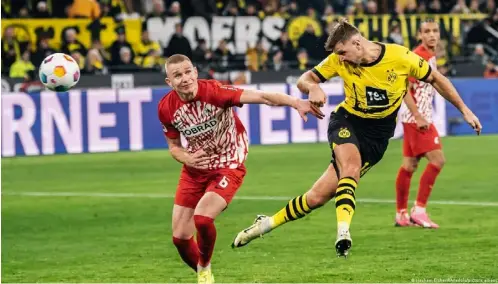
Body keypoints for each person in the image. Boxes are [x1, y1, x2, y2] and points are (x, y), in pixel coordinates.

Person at [231, 18, 482, 258]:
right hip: (348, 120)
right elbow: (304, 79)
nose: (340, 58)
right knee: (350, 167)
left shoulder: (400, 57)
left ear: (357, 44)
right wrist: (313, 86)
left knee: (316, 197)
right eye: (338, 54)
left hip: (378, 135)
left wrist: (465, 110)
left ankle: (266, 223)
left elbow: (436, 79)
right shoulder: (339, 60)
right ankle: (343, 232)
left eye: (342, 52)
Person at [158, 54, 323, 284]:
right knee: (180, 238)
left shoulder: (216, 92)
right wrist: (187, 158)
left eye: (187, 72)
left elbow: (263, 96)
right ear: (169, 82)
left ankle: (204, 270)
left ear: (195, 72)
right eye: (177, 75)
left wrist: (296, 102)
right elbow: (174, 146)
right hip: (195, 169)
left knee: (203, 219)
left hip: (228, 163)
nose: (184, 78)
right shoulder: (166, 108)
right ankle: (205, 274)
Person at [395, 19, 445, 228]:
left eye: (435, 31)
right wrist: (417, 115)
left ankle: (401, 213)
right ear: (420, 35)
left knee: (409, 165)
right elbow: (404, 87)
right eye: (427, 31)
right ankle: (420, 210)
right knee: (438, 160)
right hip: (417, 118)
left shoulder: (430, 55)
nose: (432, 35)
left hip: (413, 118)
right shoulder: (419, 57)